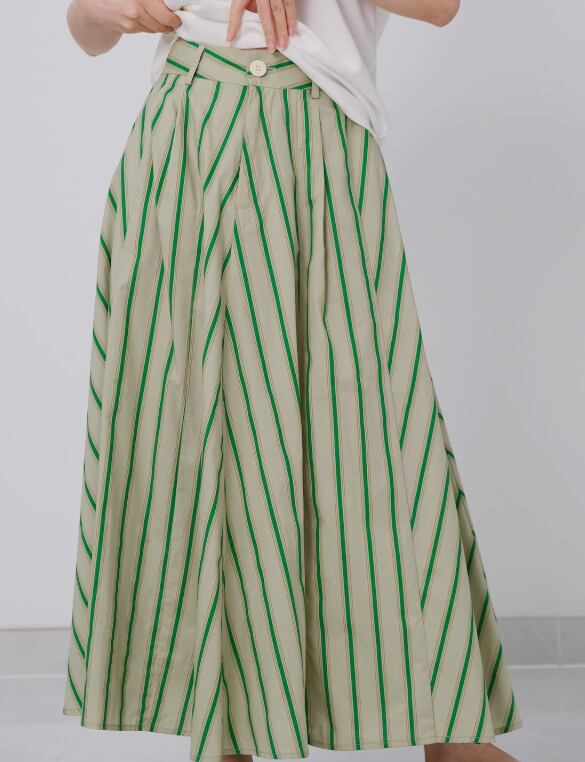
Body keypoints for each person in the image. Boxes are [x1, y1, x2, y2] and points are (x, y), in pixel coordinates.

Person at [63, 2, 522, 761]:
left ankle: (451, 733)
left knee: (375, 430)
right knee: (187, 426)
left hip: (319, 134)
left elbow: (440, 6)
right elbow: (85, 33)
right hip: (184, 136)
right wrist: (97, 10)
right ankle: (226, 734)